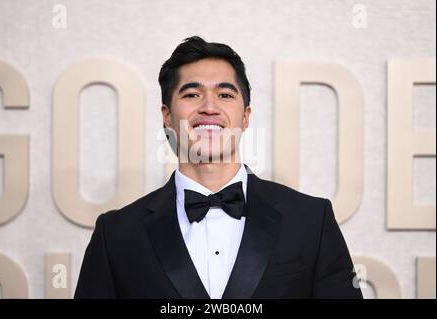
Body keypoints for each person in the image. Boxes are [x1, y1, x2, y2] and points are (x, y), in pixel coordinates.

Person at [74, 36, 362, 299]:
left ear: (246, 116)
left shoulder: (311, 220)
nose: (209, 107)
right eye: (191, 95)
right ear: (167, 117)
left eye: (225, 95)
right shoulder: (116, 235)